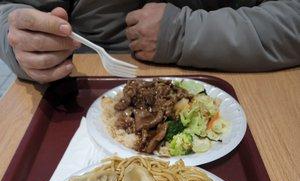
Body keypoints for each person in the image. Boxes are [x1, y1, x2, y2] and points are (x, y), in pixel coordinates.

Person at [0, 1, 299, 83]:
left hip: (238, 84)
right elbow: (12, 12)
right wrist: (23, 42)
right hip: (80, 87)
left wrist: (184, 34)